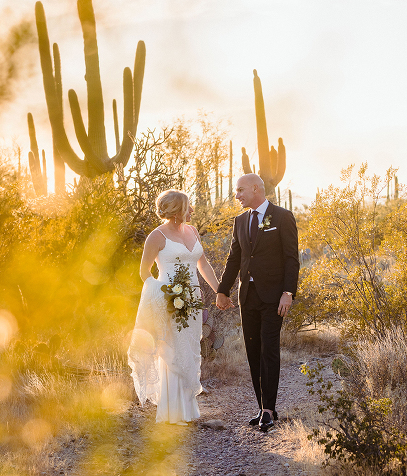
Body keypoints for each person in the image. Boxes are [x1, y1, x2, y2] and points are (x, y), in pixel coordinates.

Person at [128, 189, 222, 425]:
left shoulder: (192, 231)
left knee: (189, 348)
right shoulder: (156, 237)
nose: (192, 210)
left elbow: (203, 264)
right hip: (169, 299)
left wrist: (220, 289)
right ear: (178, 210)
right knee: (172, 350)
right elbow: (144, 272)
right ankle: (172, 413)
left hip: (192, 299)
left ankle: (188, 410)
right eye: (188, 206)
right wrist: (163, 294)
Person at [216, 173, 299, 432]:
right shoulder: (240, 220)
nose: (237, 195)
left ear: (255, 189)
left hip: (274, 297)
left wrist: (288, 292)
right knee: (253, 352)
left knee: (269, 349)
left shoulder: (282, 217)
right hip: (247, 297)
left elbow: (291, 258)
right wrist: (222, 290)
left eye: (240, 190)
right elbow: (234, 258)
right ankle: (262, 405)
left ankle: (268, 410)